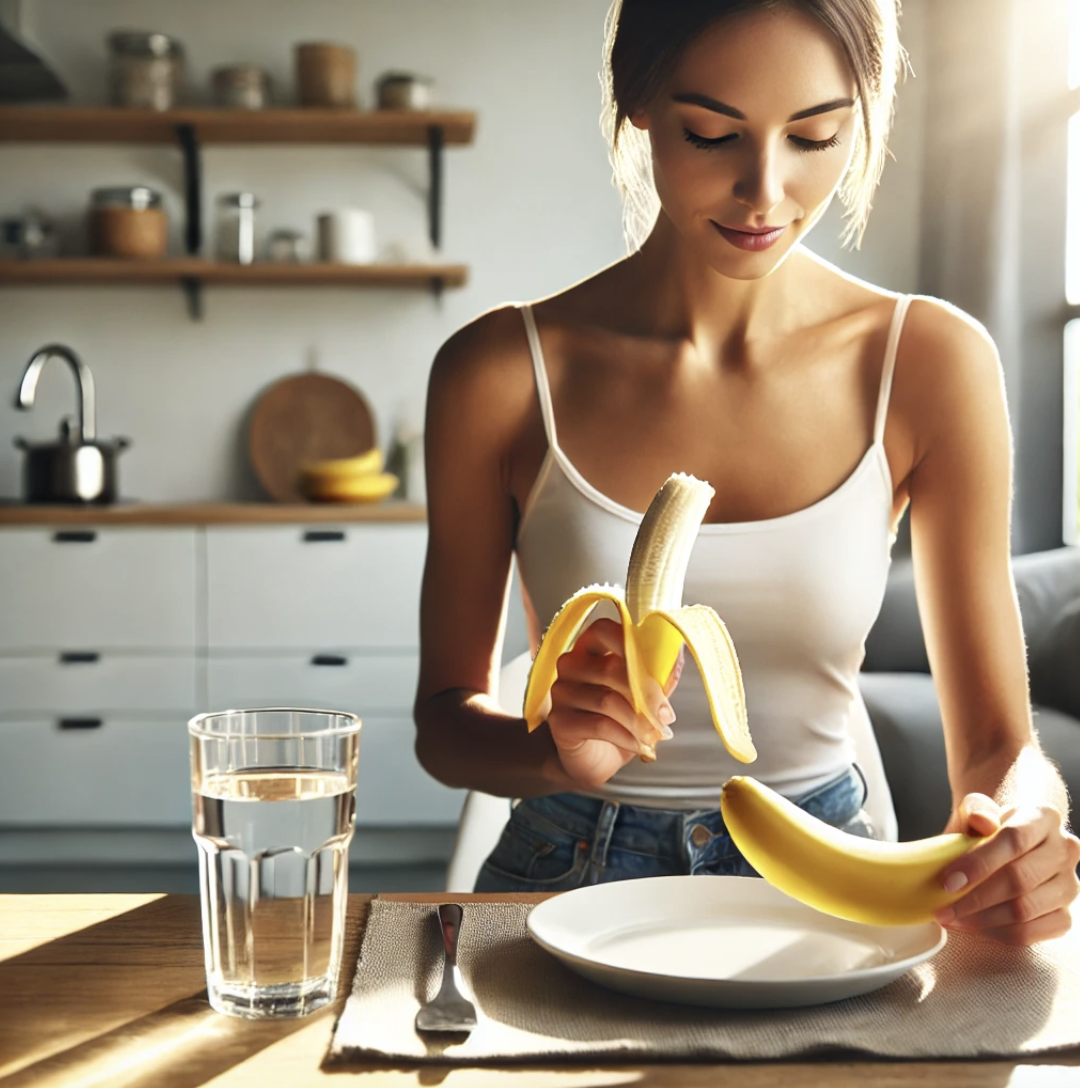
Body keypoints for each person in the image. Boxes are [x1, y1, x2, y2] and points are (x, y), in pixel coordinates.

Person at [414, 0, 1080, 946]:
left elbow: (999, 749)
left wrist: (1025, 820)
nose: (765, 191)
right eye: (712, 133)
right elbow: (441, 728)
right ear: (637, 103)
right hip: (565, 872)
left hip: (829, 867)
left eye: (816, 135)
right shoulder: (502, 372)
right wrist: (557, 748)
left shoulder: (929, 361)